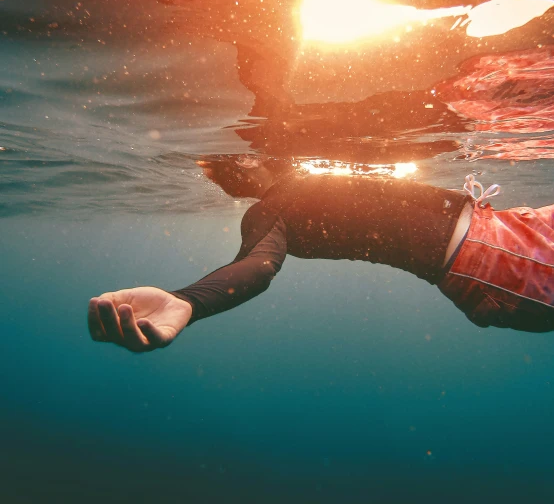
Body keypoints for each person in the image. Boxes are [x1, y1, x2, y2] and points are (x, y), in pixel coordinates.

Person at [88, 160, 554, 352]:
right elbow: (256, 268)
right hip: (505, 259)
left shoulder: (304, 185)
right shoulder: (272, 209)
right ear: (244, 170)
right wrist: (187, 301)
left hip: (504, 247)